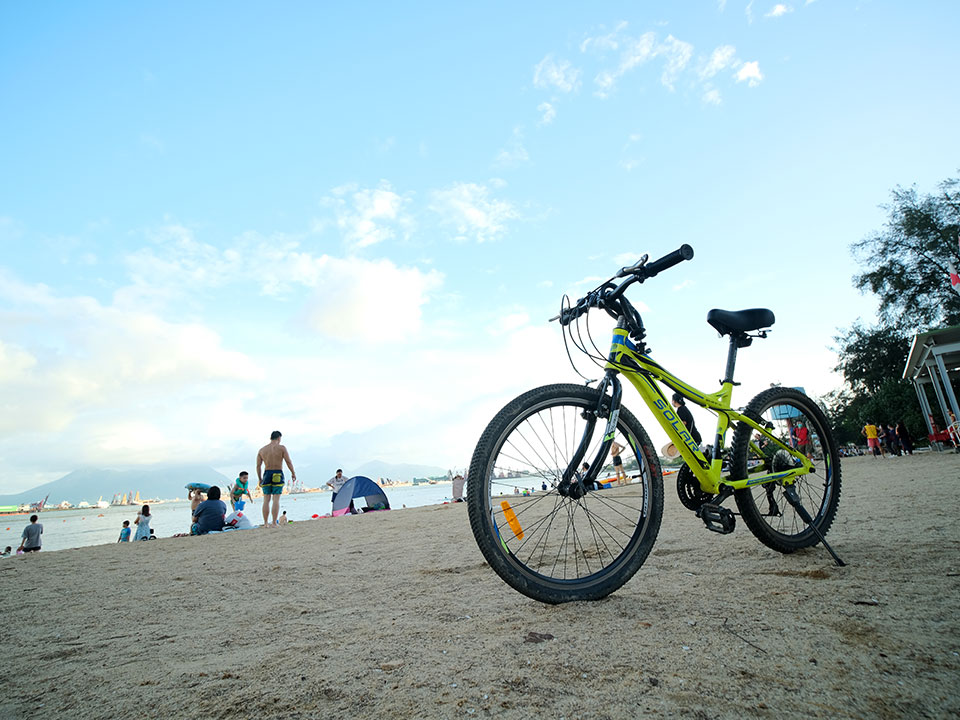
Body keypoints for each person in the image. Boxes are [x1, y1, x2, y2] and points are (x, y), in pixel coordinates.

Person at [257, 431, 296, 527]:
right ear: (279, 438)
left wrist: (260, 478)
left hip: (267, 473)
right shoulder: (281, 448)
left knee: (266, 500)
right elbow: (288, 461)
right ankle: (274, 522)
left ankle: (266, 523)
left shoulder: (262, 450)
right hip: (277, 473)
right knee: (276, 499)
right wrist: (293, 473)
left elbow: (258, 466)